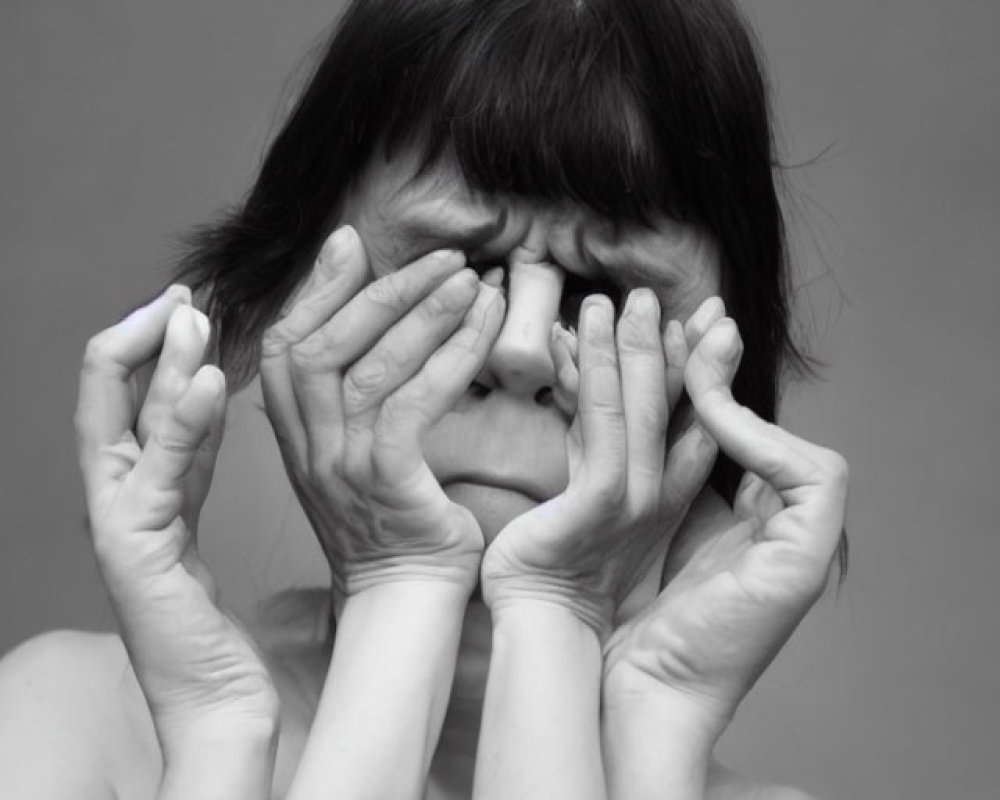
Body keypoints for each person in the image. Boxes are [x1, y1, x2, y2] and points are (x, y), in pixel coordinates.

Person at [0, 0, 849, 798]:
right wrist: (218, 728)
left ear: (722, 374)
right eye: (456, 268)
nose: (519, 349)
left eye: (599, 292)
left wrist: (651, 711)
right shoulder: (64, 725)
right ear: (295, 292)